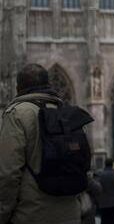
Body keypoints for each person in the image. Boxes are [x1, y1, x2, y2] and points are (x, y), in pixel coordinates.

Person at [0, 63, 82, 224]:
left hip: (31, 214)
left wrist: (3, 215)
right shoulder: (67, 114)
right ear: (48, 84)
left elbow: (8, 173)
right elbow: (83, 165)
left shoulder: (17, 114)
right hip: (70, 214)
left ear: (18, 87)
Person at [96, 158, 114, 224]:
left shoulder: (100, 176)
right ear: (112, 164)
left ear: (105, 164)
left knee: (105, 221)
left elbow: (97, 189)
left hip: (103, 203)